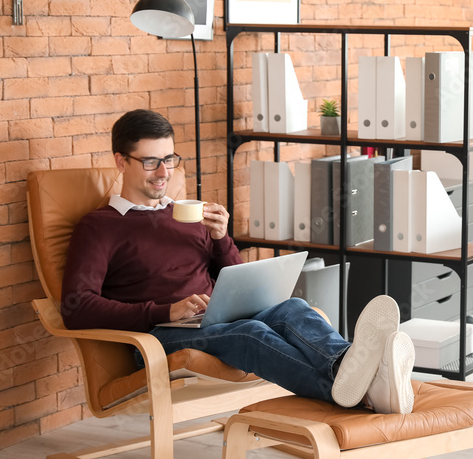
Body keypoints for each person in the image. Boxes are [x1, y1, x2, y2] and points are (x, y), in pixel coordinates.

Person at [60, 109, 416, 414]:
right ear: (121, 161)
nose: (164, 172)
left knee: (293, 307)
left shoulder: (188, 214)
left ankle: (351, 368)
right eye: (151, 161)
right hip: (159, 337)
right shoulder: (100, 227)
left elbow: (231, 275)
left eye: (169, 159)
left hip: (215, 319)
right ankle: (366, 387)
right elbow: (77, 308)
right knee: (252, 333)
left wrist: (220, 239)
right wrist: (164, 312)